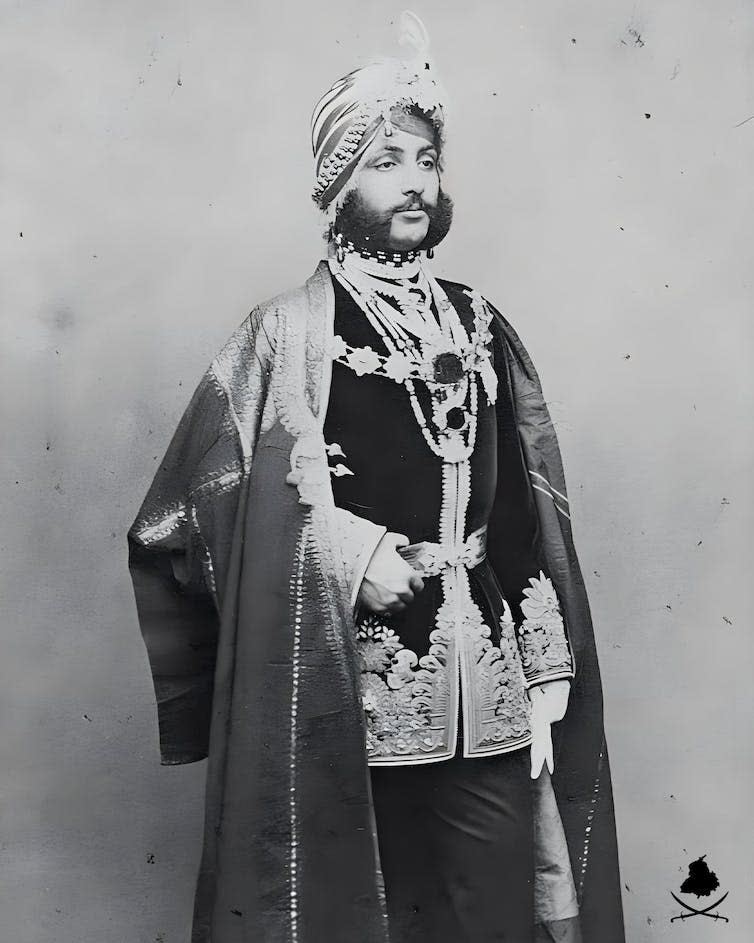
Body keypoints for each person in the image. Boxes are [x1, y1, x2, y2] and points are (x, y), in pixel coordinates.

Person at [128, 13, 624, 943]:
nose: (417, 183)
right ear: (340, 181)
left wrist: (547, 662)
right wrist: (352, 557)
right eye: (391, 160)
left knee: (498, 918)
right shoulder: (286, 336)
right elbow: (194, 511)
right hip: (347, 691)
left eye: (429, 162)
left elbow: (518, 506)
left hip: (491, 687)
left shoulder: (478, 323)